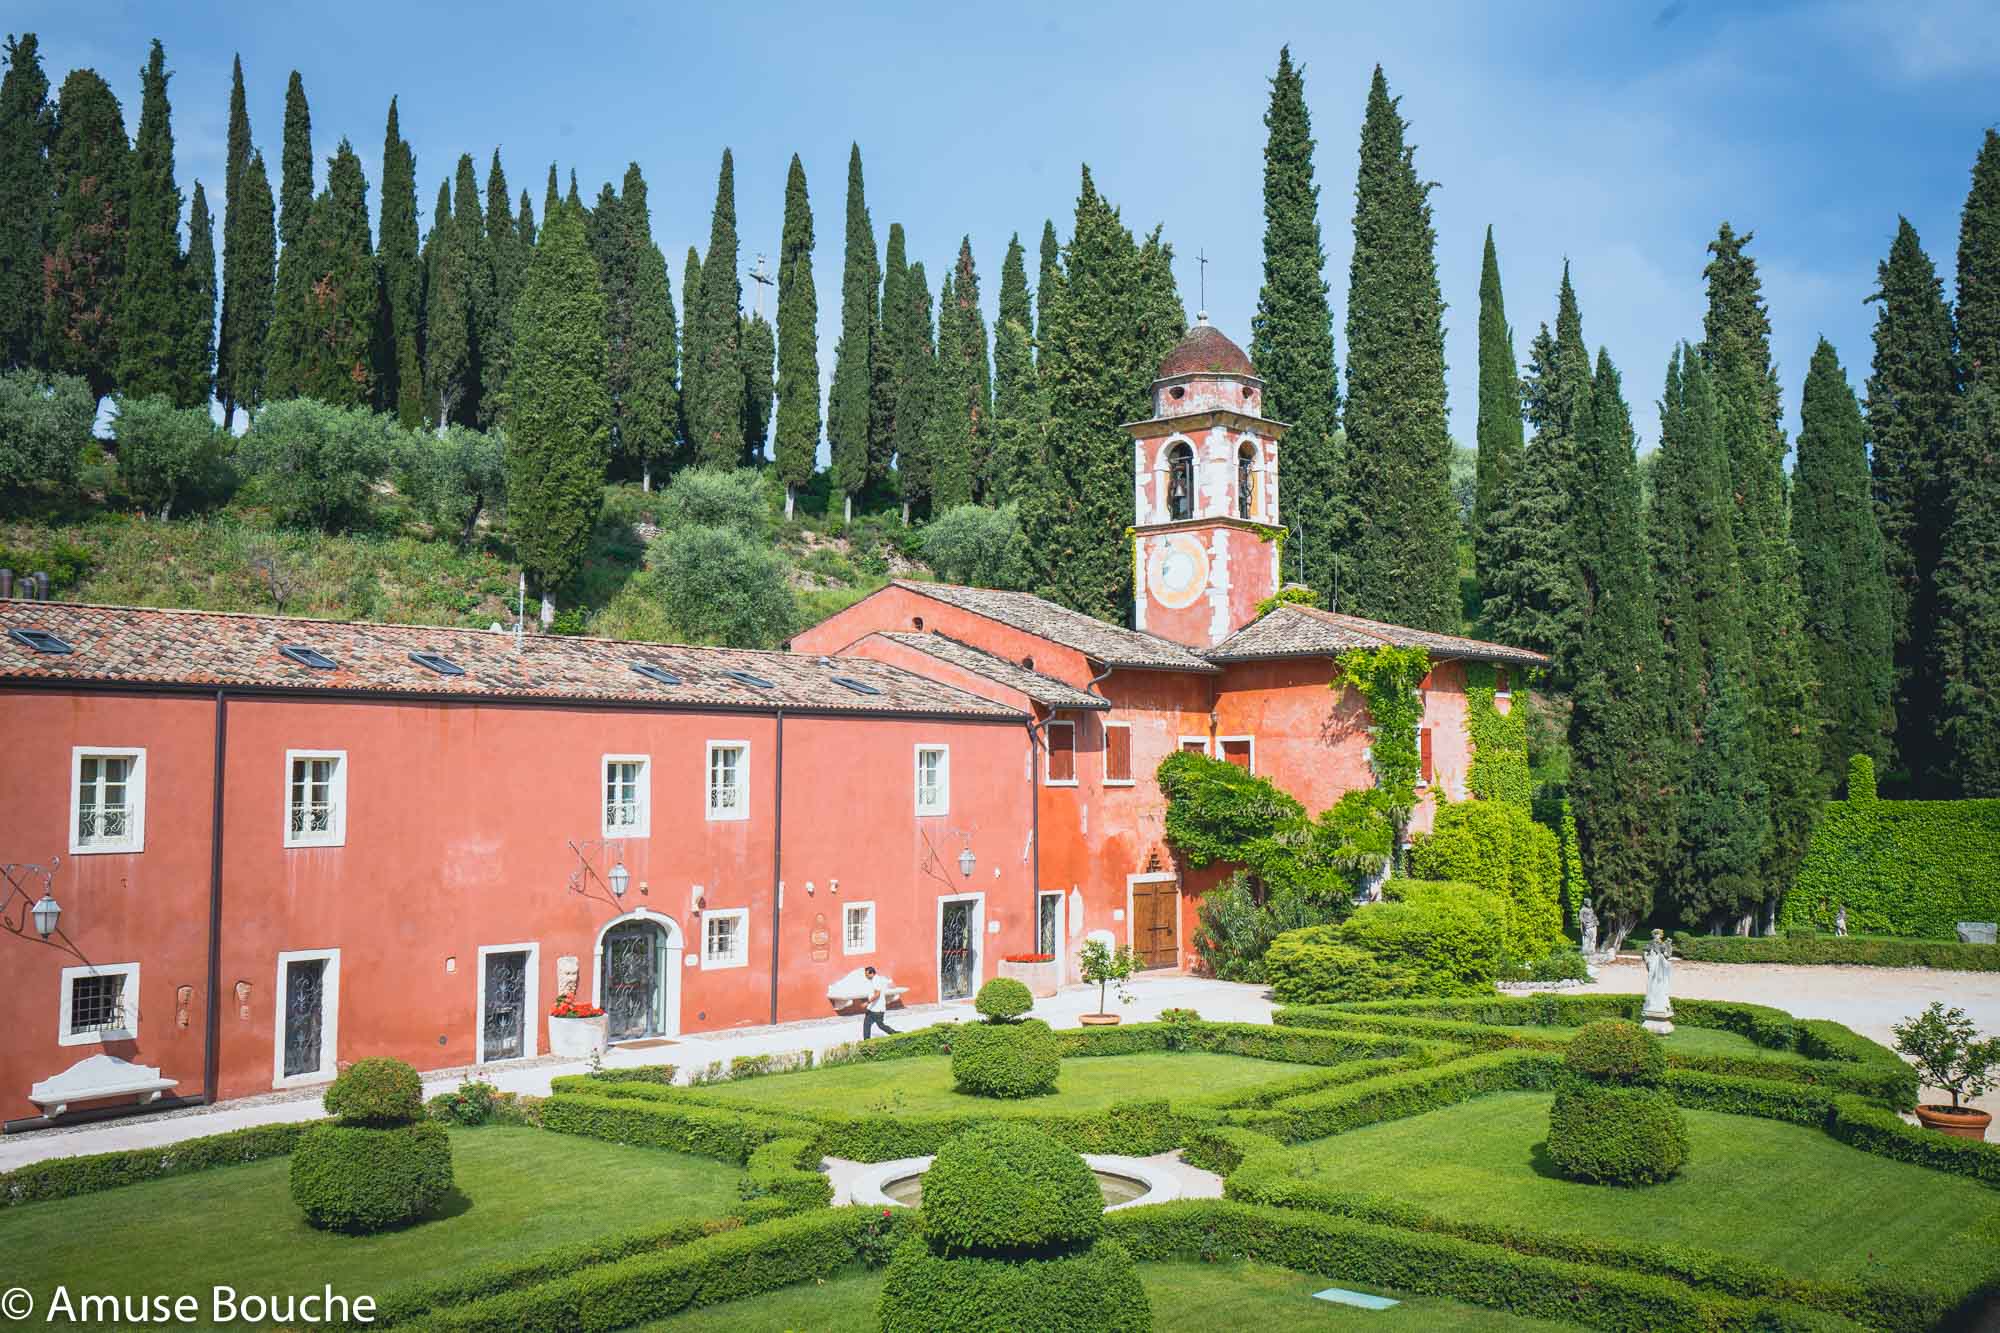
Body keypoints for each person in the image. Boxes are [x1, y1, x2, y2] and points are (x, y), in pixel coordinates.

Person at [861, 966, 897, 1040]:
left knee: (880, 1025)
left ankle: (897, 1034)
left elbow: (877, 994)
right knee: (867, 1024)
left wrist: (867, 1002)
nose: (866, 977)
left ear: (872, 973)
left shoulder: (876, 980)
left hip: (877, 1009)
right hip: (873, 1008)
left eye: (867, 975)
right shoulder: (876, 979)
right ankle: (866, 1041)